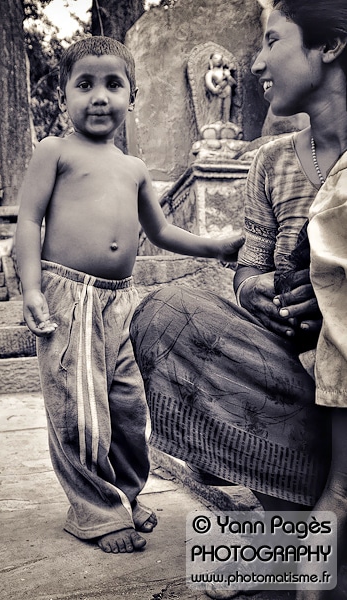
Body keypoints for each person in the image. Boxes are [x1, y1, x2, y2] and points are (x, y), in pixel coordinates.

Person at [130, 1, 347, 597]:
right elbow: (250, 268)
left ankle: (310, 544)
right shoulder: (272, 161)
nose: (255, 63)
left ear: (328, 48)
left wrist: (333, 297)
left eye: (273, 41)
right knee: (168, 313)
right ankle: (289, 536)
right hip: (297, 365)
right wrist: (265, 294)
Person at [14, 35, 243, 555]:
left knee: (127, 406)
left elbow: (160, 233)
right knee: (79, 408)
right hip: (68, 294)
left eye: (113, 84)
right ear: (64, 98)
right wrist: (30, 288)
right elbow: (29, 220)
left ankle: (123, 494)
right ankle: (92, 510)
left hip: (122, 299)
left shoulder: (134, 168)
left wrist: (216, 245)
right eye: (85, 84)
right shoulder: (54, 152)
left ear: (132, 97)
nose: (99, 96)